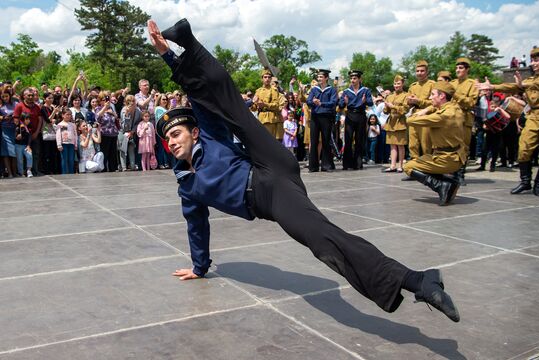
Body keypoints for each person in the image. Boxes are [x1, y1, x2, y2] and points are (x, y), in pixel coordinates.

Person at [148, 18, 460, 323]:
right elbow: (196, 225)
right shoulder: (186, 184)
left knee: (229, 108)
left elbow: (204, 94)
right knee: (322, 240)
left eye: (177, 134)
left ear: (194, 133)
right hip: (270, 197)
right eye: (168, 139)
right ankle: (419, 280)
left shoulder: (211, 135)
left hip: (265, 163)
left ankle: (186, 39)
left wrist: (167, 56)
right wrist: (199, 267)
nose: (172, 142)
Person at [477, 47, 539, 196]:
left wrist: (523, 85)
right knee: (523, 150)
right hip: (533, 117)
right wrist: (493, 86)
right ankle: (525, 182)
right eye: (532, 60)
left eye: (536, 60)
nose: (533, 63)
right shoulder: (529, 80)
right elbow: (511, 86)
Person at [404, 81, 466, 205]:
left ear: (442, 96)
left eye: (433, 95)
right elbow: (437, 107)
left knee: (408, 167)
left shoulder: (441, 117)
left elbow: (410, 120)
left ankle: (441, 185)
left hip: (445, 159)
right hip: (456, 156)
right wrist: (428, 108)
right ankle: (449, 182)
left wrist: (420, 112)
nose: (430, 97)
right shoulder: (455, 108)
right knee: (423, 160)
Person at [450, 57, 478, 185]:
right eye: (456, 68)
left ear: (467, 70)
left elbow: (471, 102)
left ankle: (460, 173)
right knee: (451, 147)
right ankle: (451, 172)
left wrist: (455, 95)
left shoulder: (472, 84)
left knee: (463, 147)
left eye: (461, 68)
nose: (458, 70)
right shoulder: (452, 83)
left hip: (464, 119)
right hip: (451, 119)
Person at [339, 70, 373, 170]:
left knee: (359, 140)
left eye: (354, 78)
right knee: (348, 140)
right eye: (351, 78)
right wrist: (345, 102)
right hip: (350, 115)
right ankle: (347, 164)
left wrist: (365, 101)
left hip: (361, 115)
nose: (352, 80)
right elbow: (340, 105)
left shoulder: (365, 90)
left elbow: (371, 103)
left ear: (359, 79)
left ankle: (358, 163)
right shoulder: (346, 91)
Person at [406, 60, 435, 171]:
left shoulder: (432, 85)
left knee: (426, 144)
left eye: (422, 71)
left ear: (427, 72)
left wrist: (419, 101)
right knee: (413, 144)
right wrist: (409, 102)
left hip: (426, 115)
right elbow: (407, 103)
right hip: (414, 116)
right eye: (417, 71)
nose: (419, 73)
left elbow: (434, 103)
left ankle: (428, 169)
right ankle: (414, 169)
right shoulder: (413, 86)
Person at [307, 69, 338, 172]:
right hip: (315, 117)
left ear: (326, 78)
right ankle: (313, 166)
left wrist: (322, 103)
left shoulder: (332, 89)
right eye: (318, 77)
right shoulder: (314, 89)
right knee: (314, 140)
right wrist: (313, 101)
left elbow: (333, 102)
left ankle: (326, 165)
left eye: (321, 77)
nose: (319, 79)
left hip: (326, 117)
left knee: (326, 140)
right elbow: (308, 101)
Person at [383, 75, 409, 172]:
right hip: (391, 122)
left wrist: (393, 106)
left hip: (400, 122)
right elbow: (385, 112)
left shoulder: (406, 95)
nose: (396, 85)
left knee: (400, 145)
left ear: (402, 84)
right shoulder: (390, 96)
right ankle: (393, 165)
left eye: (398, 83)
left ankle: (400, 165)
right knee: (392, 145)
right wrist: (386, 106)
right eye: (395, 84)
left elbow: (405, 109)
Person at [13, 88, 42, 176]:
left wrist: (36, 132)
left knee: (36, 153)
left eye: (32, 95)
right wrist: (20, 133)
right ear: (24, 96)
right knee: (24, 155)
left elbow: (40, 120)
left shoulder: (37, 107)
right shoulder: (19, 106)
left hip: (35, 133)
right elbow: (16, 120)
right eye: (28, 95)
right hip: (24, 135)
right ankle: (23, 172)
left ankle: (35, 171)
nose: (30, 97)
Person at [252, 69, 281, 139]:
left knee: (269, 141)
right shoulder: (258, 91)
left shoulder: (274, 89)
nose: (267, 79)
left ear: (271, 79)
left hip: (269, 119)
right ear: (262, 79)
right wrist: (253, 103)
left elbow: (276, 105)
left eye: (269, 77)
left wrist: (265, 104)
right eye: (265, 77)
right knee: (260, 141)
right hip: (260, 118)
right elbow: (254, 108)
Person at [119, 95, 141, 171]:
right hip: (123, 132)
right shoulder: (124, 110)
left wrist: (132, 131)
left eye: (133, 102)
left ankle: (132, 166)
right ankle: (124, 167)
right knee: (123, 150)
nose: (132, 104)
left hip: (132, 132)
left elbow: (138, 122)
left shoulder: (138, 111)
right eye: (130, 102)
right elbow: (124, 125)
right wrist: (127, 115)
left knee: (131, 149)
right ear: (126, 103)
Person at [56, 108, 78, 174]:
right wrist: (59, 145)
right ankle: (64, 173)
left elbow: (75, 135)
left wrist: (75, 144)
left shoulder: (73, 125)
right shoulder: (60, 125)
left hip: (71, 144)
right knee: (64, 159)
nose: (69, 116)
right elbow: (58, 135)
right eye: (67, 114)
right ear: (63, 115)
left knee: (71, 160)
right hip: (64, 144)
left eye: (70, 115)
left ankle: (71, 173)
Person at [14, 113, 33, 177]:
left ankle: (29, 171)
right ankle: (21, 173)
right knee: (20, 160)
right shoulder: (18, 126)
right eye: (26, 119)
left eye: (29, 119)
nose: (28, 120)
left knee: (29, 155)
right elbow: (16, 136)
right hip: (18, 145)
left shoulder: (29, 126)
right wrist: (17, 136)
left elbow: (30, 137)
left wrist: (28, 145)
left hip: (26, 145)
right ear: (23, 119)